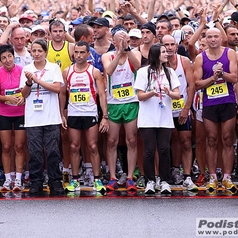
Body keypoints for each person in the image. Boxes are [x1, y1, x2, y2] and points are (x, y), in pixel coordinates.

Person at [59, 41, 109, 194]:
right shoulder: (67, 72)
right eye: (77, 52)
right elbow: (62, 93)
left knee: (92, 146)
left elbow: (101, 94)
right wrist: (62, 113)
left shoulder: (94, 72)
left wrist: (104, 116)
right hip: (74, 113)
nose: (79, 55)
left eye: (82, 52)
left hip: (90, 113)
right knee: (74, 146)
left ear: (88, 54)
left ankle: (97, 179)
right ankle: (74, 180)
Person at [193, 28, 238, 193]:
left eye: (215, 36)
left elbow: (235, 78)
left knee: (227, 139)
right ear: (205, 38)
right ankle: (212, 176)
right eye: (209, 37)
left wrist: (222, 74)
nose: (212, 40)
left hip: (228, 101)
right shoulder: (200, 58)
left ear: (221, 38)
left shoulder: (230, 54)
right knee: (211, 139)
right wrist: (212, 78)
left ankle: (226, 177)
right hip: (210, 103)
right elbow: (196, 84)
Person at [134, 43, 180, 195]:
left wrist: (168, 92)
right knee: (148, 151)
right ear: (155, 55)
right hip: (148, 118)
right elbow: (140, 96)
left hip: (164, 117)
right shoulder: (143, 72)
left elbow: (177, 94)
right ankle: (150, 181)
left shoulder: (170, 72)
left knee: (164, 149)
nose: (167, 54)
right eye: (163, 52)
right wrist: (151, 93)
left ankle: (165, 181)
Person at [20, 38, 64, 196]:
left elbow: (57, 88)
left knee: (53, 151)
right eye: (34, 50)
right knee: (35, 151)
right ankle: (36, 181)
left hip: (51, 117)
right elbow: (24, 94)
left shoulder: (53, 68)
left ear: (45, 52)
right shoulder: (26, 68)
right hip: (33, 118)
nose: (37, 53)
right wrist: (29, 83)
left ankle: (55, 181)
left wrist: (38, 80)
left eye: (40, 51)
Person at [101, 26, 141, 192]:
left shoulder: (135, 53)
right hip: (114, 103)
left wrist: (128, 49)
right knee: (112, 141)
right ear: (114, 42)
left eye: (127, 40)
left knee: (131, 140)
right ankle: (112, 176)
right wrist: (119, 52)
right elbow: (108, 71)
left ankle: (130, 177)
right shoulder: (107, 55)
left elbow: (138, 66)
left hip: (131, 102)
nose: (125, 42)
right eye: (121, 40)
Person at [161, 34, 197, 191]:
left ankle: (187, 176)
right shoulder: (158, 63)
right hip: (165, 108)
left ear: (176, 46)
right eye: (166, 45)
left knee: (186, 140)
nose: (169, 48)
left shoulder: (184, 61)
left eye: (172, 44)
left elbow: (191, 85)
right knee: (172, 140)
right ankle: (174, 170)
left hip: (182, 107)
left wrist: (187, 108)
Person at [0, 44, 26, 191]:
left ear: (14, 57)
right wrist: (8, 98)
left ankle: (18, 179)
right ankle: (8, 179)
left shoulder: (22, 70)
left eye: (9, 56)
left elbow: (27, 90)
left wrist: (22, 98)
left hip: (21, 113)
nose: (7, 60)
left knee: (19, 146)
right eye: (4, 58)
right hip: (4, 113)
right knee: (6, 147)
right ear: (0, 60)